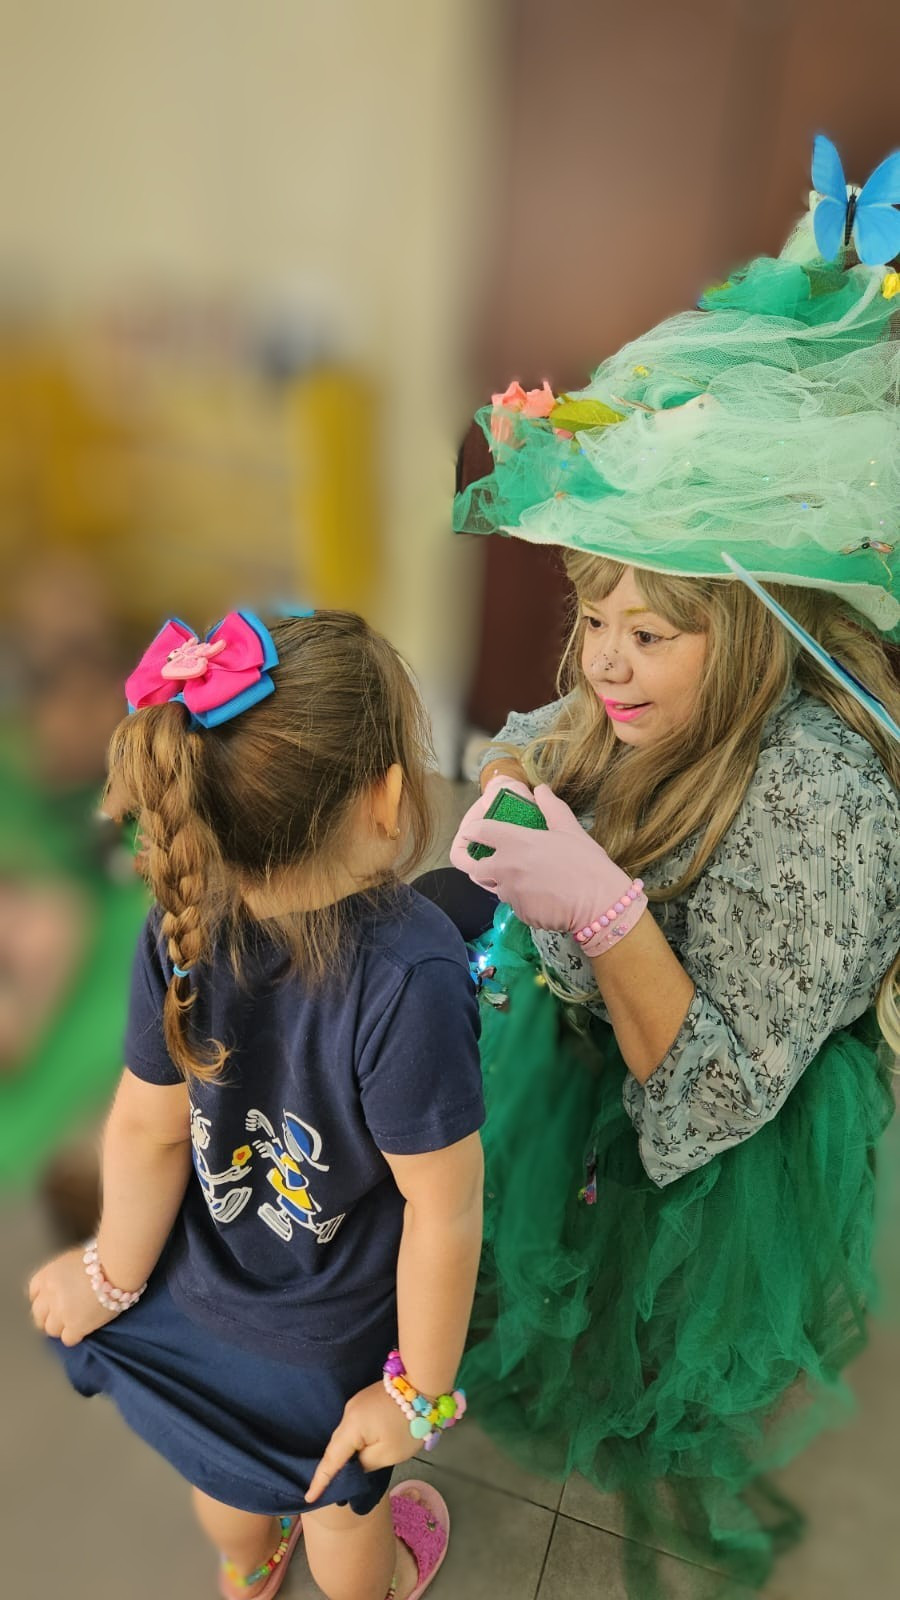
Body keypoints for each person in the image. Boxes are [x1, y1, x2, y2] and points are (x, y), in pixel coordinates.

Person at [447, 154, 900, 1590]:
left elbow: (711, 1090)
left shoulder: (820, 799)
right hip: (588, 1055)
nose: (607, 663)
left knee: (664, 1309)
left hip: (721, 1113)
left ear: (750, 629)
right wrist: (511, 773)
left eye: (652, 632)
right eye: (595, 615)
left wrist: (600, 909)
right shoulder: (628, 689)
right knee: (557, 1236)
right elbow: (556, 725)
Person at [28, 607, 485, 1600]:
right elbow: (443, 1210)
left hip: (196, 1292)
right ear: (388, 796)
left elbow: (147, 1132)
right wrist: (417, 1394)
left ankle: (245, 1568)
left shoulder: (178, 927)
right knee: (340, 1500)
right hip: (333, 1337)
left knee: (226, 1470)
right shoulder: (415, 972)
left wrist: (108, 1277)